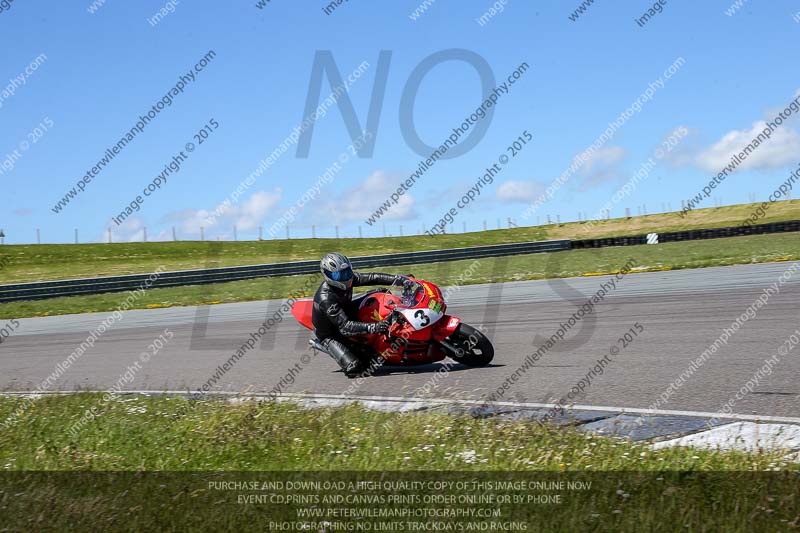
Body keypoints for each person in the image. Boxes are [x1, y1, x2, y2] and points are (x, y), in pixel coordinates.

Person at [312, 252, 403, 377]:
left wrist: (398, 279)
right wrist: (375, 327)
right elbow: (345, 327)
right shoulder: (326, 298)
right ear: (327, 275)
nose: (345, 278)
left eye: (347, 272)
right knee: (354, 368)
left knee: (380, 292)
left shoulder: (349, 278)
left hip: (347, 311)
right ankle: (330, 347)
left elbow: (373, 277)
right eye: (338, 274)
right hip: (332, 333)